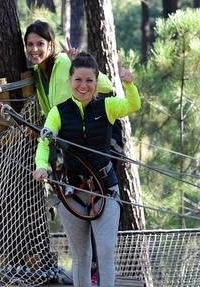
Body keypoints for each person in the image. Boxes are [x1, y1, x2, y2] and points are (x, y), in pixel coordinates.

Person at [33, 52, 141, 287]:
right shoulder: (58, 112)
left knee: (105, 253)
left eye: (89, 81)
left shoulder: (108, 106)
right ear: (70, 81)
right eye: (78, 80)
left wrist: (128, 83)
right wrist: (41, 166)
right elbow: (45, 142)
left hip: (105, 189)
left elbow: (133, 105)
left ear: (96, 83)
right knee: (81, 255)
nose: (83, 86)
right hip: (72, 191)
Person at [23, 20, 113, 117]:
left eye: (40, 44)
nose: (34, 49)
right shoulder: (37, 74)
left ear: (50, 45)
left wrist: (78, 62)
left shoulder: (65, 61)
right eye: (30, 44)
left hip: (81, 129)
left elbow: (107, 87)